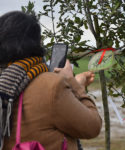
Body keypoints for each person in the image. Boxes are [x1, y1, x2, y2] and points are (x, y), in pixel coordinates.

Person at [0, 11, 102, 150]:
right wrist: (73, 84)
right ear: (36, 41)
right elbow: (92, 126)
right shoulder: (52, 86)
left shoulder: (5, 83)